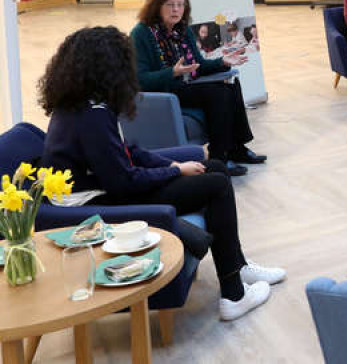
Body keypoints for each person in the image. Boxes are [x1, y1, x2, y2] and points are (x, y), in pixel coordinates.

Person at [40, 26, 286, 321]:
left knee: (216, 168)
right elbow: (124, 181)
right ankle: (234, 294)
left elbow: (126, 152)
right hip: (98, 208)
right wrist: (175, 172)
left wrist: (169, 166)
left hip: (105, 191)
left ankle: (238, 265)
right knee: (218, 184)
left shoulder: (81, 106)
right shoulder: (92, 115)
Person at [130, 0, 265, 170]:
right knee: (217, 93)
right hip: (165, 90)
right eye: (170, 4)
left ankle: (237, 148)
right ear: (157, 6)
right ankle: (218, 157)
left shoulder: (182, 30)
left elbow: (198, 65)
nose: (176, 9)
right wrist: (172, 72)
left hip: (186, 85)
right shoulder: (141, 33)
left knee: (232, 83)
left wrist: (222, 62)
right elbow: (140, 79)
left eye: (180, 4)